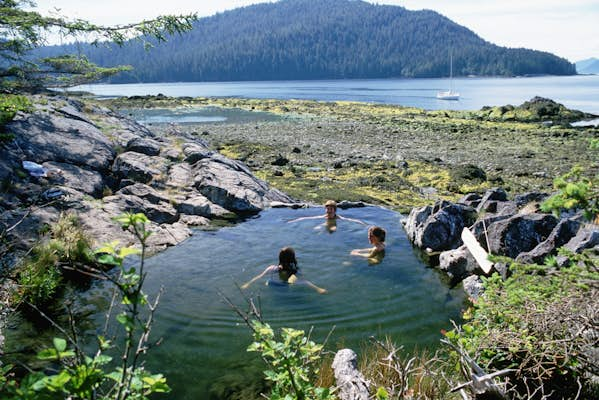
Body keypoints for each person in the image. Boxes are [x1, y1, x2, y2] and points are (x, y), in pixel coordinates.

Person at [241, 247, 327, 294]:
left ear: (279, 258)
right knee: (293, 281)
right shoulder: (295, 271)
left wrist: (247, 284)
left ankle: (267, 283)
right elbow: (305, 281)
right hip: (284, 288)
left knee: (268, 281)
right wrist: (318, 289)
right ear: (293, 258)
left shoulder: (271, 268)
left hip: (272, 285)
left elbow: (259, 276)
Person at [288, 200, 366, 232]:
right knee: (316, 229)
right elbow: (309, 218)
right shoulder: (324, 217)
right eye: (327, 209)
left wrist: (364, 224)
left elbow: (350, 220)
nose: (329, 211)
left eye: (331, 209)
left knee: (333, 228)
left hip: (333, 226)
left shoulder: (338, 218)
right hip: (326, 224)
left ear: (334, 210)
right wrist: (295, 220)